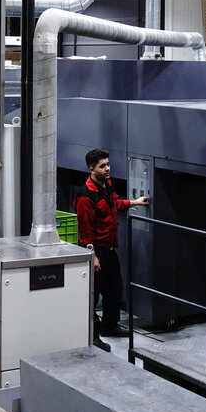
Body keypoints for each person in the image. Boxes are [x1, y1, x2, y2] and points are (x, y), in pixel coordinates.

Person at [73, 148, 149, 351]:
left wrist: (134, 202)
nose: (107, 168)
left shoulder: (106, 186)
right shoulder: (85, 196)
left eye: (108, 164)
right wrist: (93, 257)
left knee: (114, 289)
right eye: (102, 166)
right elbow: (85, 231)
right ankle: (93, 337)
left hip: (109, 249)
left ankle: (110, 326)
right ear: (91, 169)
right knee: (93, 295)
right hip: (96, 251)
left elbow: (114, 204)